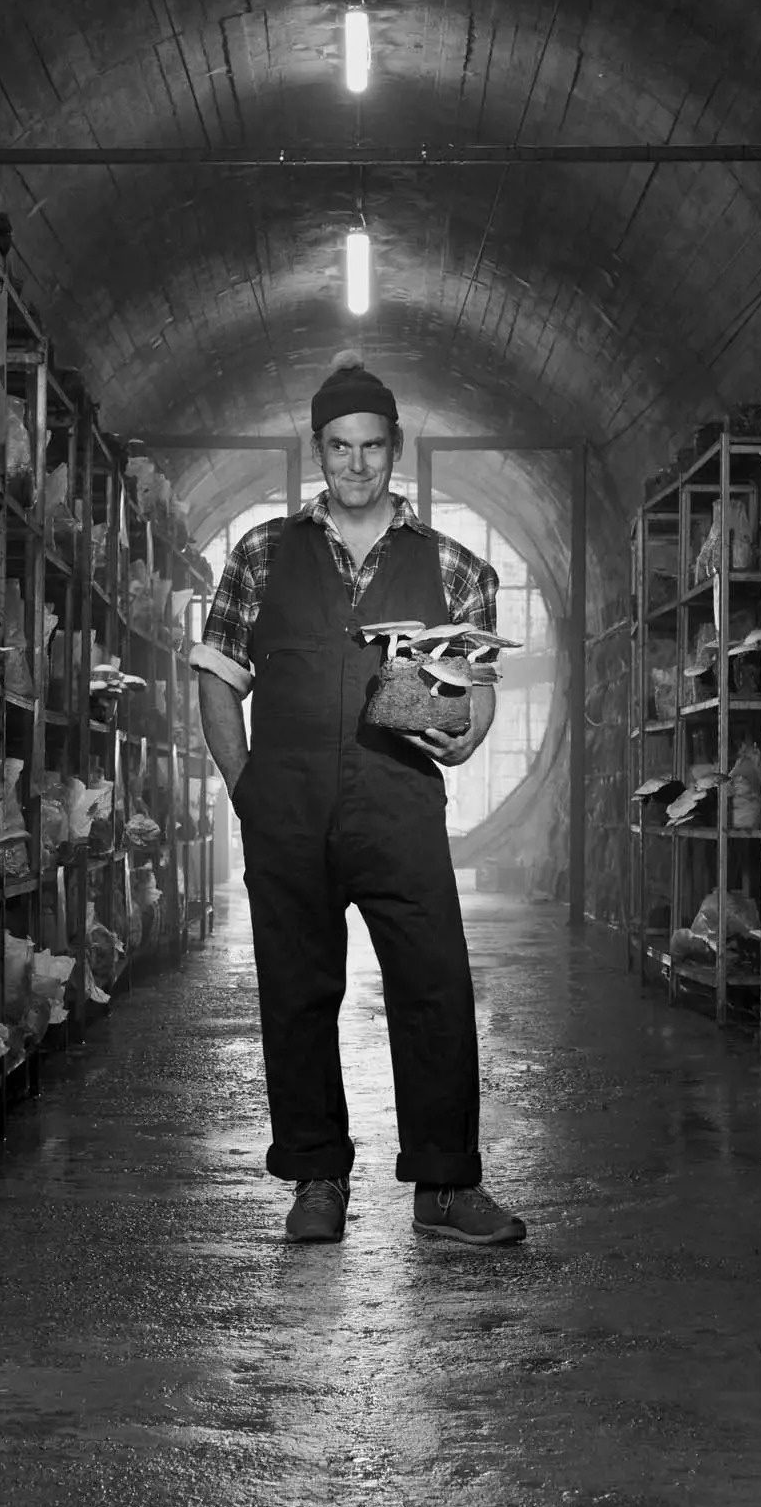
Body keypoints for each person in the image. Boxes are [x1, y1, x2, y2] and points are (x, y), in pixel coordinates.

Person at [193, 352, 528, 1247]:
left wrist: (471, 732)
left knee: (436, 986)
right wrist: (247, 788)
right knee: (297, 993)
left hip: (398, 804)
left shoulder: (453, 565)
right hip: (288, 809)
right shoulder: (262, 554)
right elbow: (218, 679)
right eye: (338, 446)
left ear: (395, 450)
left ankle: (446, 1189)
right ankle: (316, 1178)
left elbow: (480, 686)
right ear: (318, 449)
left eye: (371, 446)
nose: (354, 464)